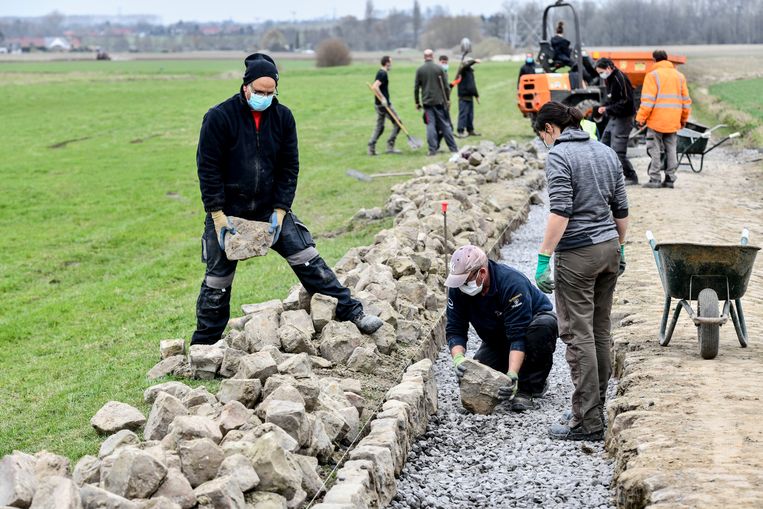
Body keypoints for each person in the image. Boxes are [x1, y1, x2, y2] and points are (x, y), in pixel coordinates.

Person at [192, 53, 383, 346]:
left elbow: (288, 167)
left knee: (309, 260)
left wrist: (281, 211)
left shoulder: (282, 117)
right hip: (229, 211)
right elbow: (208, 168)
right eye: (259, 92)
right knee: (217, 281)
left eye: (270, 93)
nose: (264, 97)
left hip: (269, 208)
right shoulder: (219, 117)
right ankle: (204, 346)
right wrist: (217, 215)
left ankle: (353, 312)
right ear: (246, 87)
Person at [533, 101, 629, 441]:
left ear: (549, 129)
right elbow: (621, 209)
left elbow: (560, 212)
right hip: (608, 250)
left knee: (578, 335)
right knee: (600, 330)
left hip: (578, 253)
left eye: (542, 134)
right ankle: (595, 406)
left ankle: (587, 422)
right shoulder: (604, 152)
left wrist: (544, 257)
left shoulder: (559, 156)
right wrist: (619, 246)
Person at [446, 245, 558, 412]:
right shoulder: (458, 288)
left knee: (543, 327)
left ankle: (529, 387)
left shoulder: (512, 283)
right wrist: (458, 359)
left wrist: (512, 374)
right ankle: (516, 372)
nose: (460, 286)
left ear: (482, 273)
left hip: (529, 326)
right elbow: (455, 329)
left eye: (465, 281)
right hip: (497, 335)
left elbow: (517, 336)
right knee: (478, 373)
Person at [636, 49, 692, 189]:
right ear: (667, 59)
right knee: (671, 149)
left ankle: (654, 179)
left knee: (654, 149)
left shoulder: (652, 76)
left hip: (656, 121)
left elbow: (647, 102)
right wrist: (683, 119)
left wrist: (640, 118)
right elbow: (686, 101)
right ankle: (670, 179)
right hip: (673, 121)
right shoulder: (679, 76)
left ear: (654, 60)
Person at [594, 58, 638, 185]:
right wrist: (605, 107)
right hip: (614, 116)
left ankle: (631, 176)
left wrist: (607, 108)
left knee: (618, 151)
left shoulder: (620, 78)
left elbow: (626, 102)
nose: (600, 75)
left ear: (608, 68)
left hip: (624, 117)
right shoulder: (609, 79)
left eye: (601, 72)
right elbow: (612, 98)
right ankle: (609, 176)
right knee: (604, 145)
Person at [415, 49, 458, 156]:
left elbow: (416, 88)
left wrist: (417, 102)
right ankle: (453, 148)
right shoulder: (439, 69)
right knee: (445, 125)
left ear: (424, 57)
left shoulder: (420, 70)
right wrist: (447, 99)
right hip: (439, 102)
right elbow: (446, 87)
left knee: (430, 125)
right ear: (432, 56)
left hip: (427, 102)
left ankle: (432, 150)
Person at [367, 55, 401, 156]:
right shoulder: (382, 73)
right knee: (398, 123)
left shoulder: (381, 72)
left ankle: (371, 147)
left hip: (379, 104)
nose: (391, 64)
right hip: (384, 105)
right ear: (387, 63)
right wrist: (383, 98)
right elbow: (374, 87)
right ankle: (390, 146)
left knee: (380, 127)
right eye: (391, 62)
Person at [454, 57, 481, 138]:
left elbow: (472, 85)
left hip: (470, 96)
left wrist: (476, 95)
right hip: (463, 96)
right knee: (463, 114)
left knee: (470, 115)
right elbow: (465, 66)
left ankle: (470, 130)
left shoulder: (470, 72)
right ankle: (460, 131)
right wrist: (474, 61)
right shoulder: (463, 70)